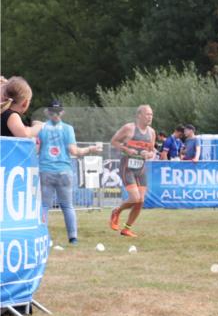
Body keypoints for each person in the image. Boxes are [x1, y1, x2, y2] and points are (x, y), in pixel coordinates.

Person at [38, 100, 102, 244]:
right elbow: (75, 151)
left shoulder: (41, 128)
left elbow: (35, 150)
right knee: (67, 206)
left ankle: (42, 238)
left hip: (46, 170)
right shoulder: (67, 129)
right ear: (62, 112)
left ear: (48, 112)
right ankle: (73, 238)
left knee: (44, 206)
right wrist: (91, 148)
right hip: (64, 171)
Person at [109, 105, 156, 238]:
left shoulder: (151, 132)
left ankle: (127, 229)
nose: (150, 117)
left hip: (141, 168)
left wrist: (149, 154)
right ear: (139, 115)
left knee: (140, 201)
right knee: (135, 198)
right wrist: (126, 149)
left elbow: (152, 151)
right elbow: (114, 141)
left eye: (151, 114)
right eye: (147, 114)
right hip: (127, 167)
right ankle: (116, 211)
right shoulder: (129, 128)